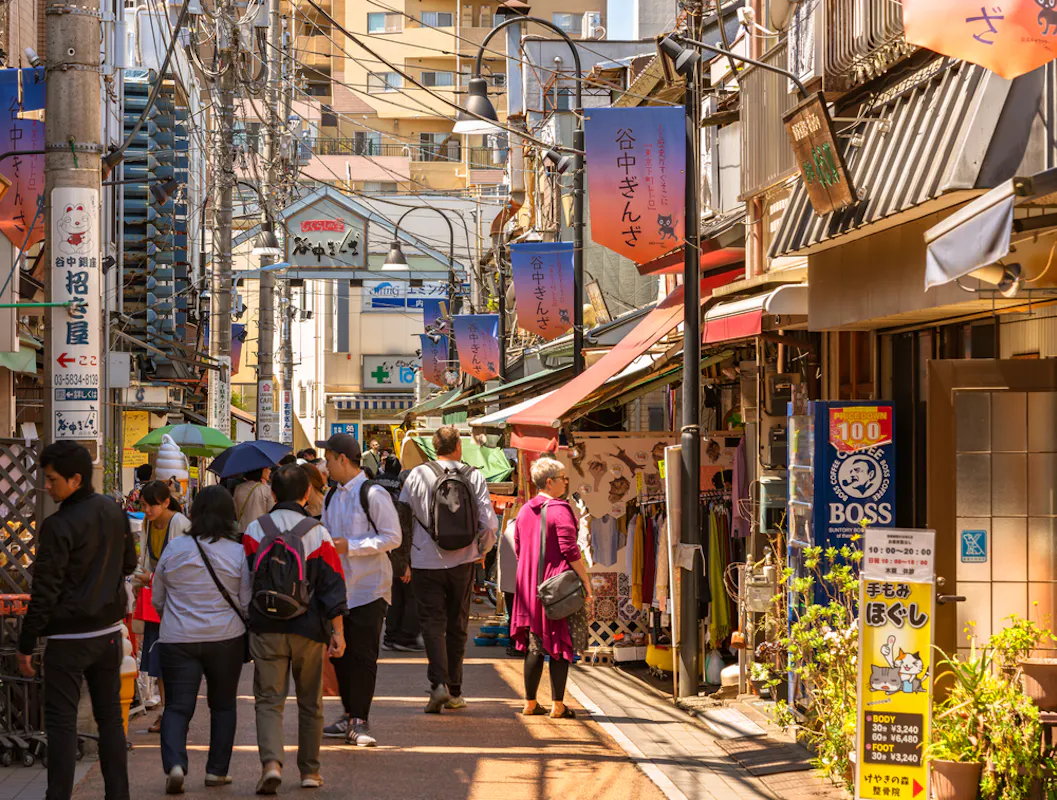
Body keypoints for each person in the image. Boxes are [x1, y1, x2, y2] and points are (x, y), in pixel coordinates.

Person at [17, 441, 136, 800]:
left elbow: (44, 590)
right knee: (110, 719)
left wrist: (27, 643)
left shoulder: (57, 526)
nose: (47, 486)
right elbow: (129, 564)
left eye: (53, 480)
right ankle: (118, 794)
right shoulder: (113, 511)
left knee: (61, 723)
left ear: (76, 479)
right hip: (108, 633)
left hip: (67, 638)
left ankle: (58, 796)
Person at [243, 465, 347, 794]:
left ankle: (272, 764)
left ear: (273, 493)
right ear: (306, 493)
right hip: (309, 629)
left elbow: (246, 580)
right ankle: (310, 771)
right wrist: (338, 632)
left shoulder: (255, 530)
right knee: (310, 702)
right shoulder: (317, 533)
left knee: (268, 701)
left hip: (266, 627)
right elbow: (332, 585)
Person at [152, 486, 250, 794]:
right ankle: (216, 772)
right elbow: (246, 602)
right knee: (223, 705)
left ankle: (175, 765)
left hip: (178, 638)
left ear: (193, 513)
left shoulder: (174, 548)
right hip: (226, 638)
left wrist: (174, 616)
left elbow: (157, 598)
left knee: (177, 707)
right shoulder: (237, 552)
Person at [400, 426, 498, 714]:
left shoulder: (417, 475)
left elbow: (403, 517)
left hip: (424, 561)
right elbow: (489, 523)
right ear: (458, 446)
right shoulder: (473, 475)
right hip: (463, 561)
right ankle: (455, 691)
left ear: (434, 448)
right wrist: (481, 550)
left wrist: (403, 559)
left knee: (432, 624)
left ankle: (438, 684)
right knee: (458, 625)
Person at [319, 435, 401, 747]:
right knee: (340, 654)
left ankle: (359, 720)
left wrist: (350, 546)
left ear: (342, 458)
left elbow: (392, 537)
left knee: (363, 656)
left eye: (328, 459)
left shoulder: (373, 493)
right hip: (339, 589)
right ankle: (348, 713)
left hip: (369, 589)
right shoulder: (331, 496)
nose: (325, 465)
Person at [512, 458, 592, 719]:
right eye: (562, 478)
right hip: (557, 586)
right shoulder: (560, 509)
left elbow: (518, 548)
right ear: (549, 482)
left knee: (535, 643)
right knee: (559, 641)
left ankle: (530, 702)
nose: (566, 482)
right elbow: (570, 549)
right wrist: (585, 580)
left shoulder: (525, 510)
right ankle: (558, 705)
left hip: (530, 586)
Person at [138, 480, 192, 733]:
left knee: (175, 659)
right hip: (157, 601)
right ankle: (166, 710)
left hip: (177, 602)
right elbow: (146, 559)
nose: (147, 510)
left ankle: (176, 711)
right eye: (143, 505)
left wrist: (150, 578)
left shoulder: (180, 524)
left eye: (152, 505)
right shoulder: (148, 524)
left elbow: (182, 568)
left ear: (166, 503)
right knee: (158, 658)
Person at [377, 456, 422, 653]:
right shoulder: (403, 505)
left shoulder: (388, 499)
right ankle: (405, 637)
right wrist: (405, 565)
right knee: (409, 597)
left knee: (396, 598)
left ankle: (392, 637)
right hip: (402, 559)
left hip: (390, 558)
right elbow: (403, 536)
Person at [234, 467, 271, 533]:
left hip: (242, 531)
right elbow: (271, 514)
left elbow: (236, 510)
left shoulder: (238, 488)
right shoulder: (267, 489)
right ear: (260, 470)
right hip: (259, 533)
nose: (269, 471)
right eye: (267, 468)